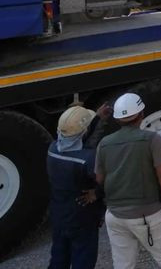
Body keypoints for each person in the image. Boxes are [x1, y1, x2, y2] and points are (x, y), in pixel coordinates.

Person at [94, 93, 161, 269]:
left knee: (123, 265)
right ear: (142, 114)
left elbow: (99, 178)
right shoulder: (152, 139)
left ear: (117, 119)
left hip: (114, 216)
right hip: (147, 214)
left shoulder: (104, 143)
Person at [47, 104, 110, 269]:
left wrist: (97, 119)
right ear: (84, 132)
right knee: (83, 260)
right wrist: (97, 193)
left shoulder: (52, 149)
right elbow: (107, 181)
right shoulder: (88, 158)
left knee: (58, 259)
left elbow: (79, 139)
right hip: (83, 218)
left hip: (59, 215)